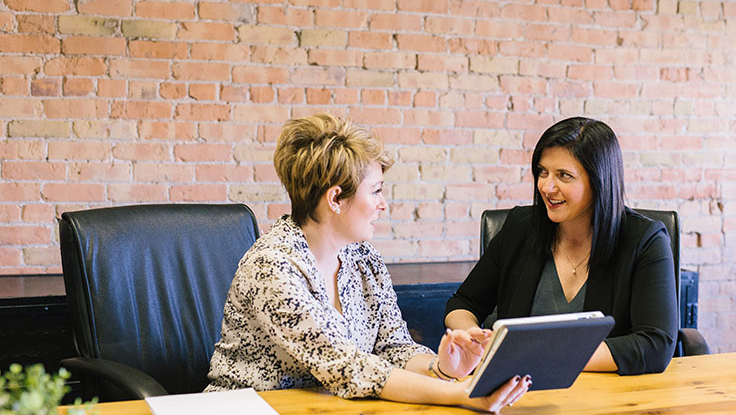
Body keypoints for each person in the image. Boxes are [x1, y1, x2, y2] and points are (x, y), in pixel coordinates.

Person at [206, 113, 529, 412]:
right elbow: (348, 367)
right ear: (335, 199)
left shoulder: (363, 258)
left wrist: (442, 368)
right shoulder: (273, 267)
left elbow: (393, 347)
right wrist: (460, 394)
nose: (383, 205)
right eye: (375, 191)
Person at [444, 116, 678, 375]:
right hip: (517, 391)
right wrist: (470, 335)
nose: (546, 186)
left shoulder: (645, 240)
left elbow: (656, 344)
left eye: (564, 176)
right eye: (543, 172)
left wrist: (541, 356)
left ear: (599, 180)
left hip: (606, 394)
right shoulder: (520, 228)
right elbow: (463, 303)